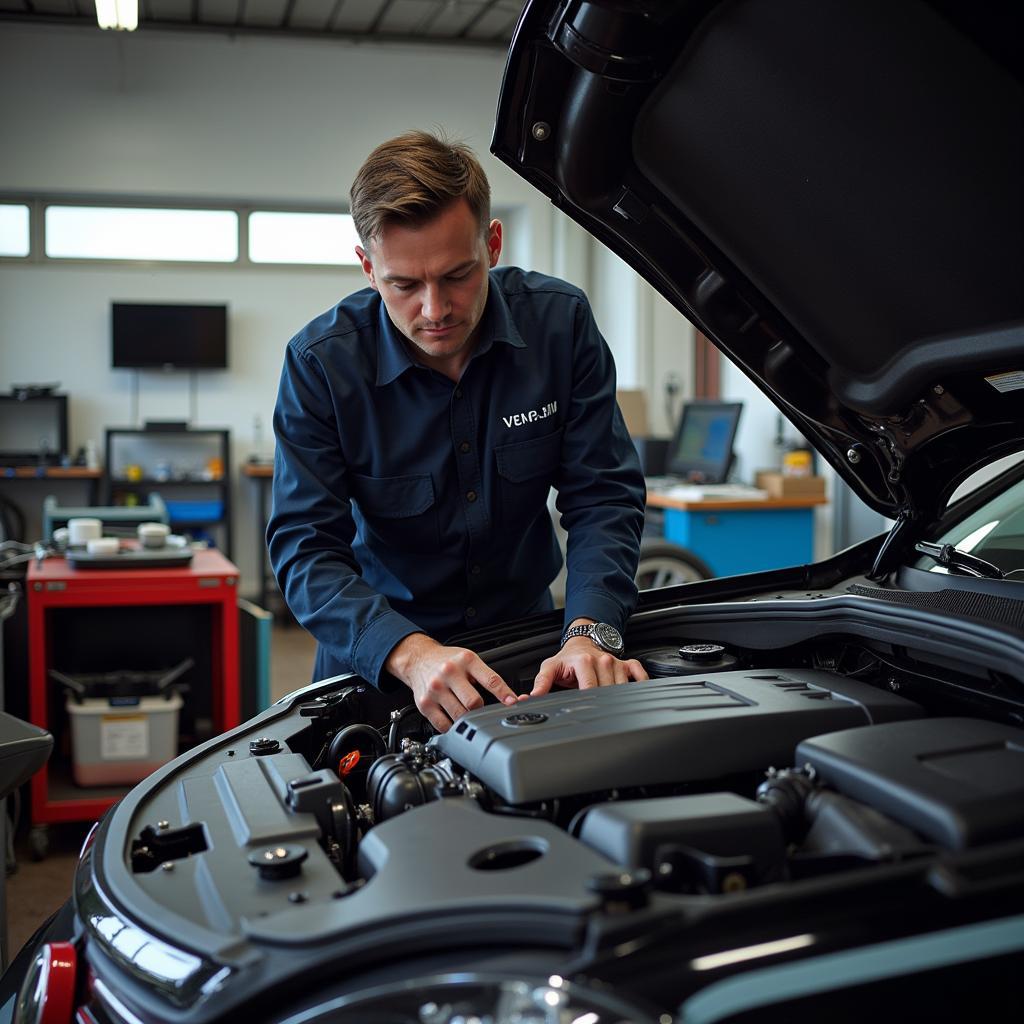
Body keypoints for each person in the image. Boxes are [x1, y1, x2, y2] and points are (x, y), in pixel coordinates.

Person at [268, 130, 648, 732]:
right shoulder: (321, 365)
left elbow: (602, 495)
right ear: (368, 268)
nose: (435, 309)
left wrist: (590, 630)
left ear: (491, 245)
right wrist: (409, 652)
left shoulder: (561, 327)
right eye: (405, 284)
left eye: (457, 275)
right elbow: (304, 545)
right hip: (380, 663)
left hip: (529, 652)